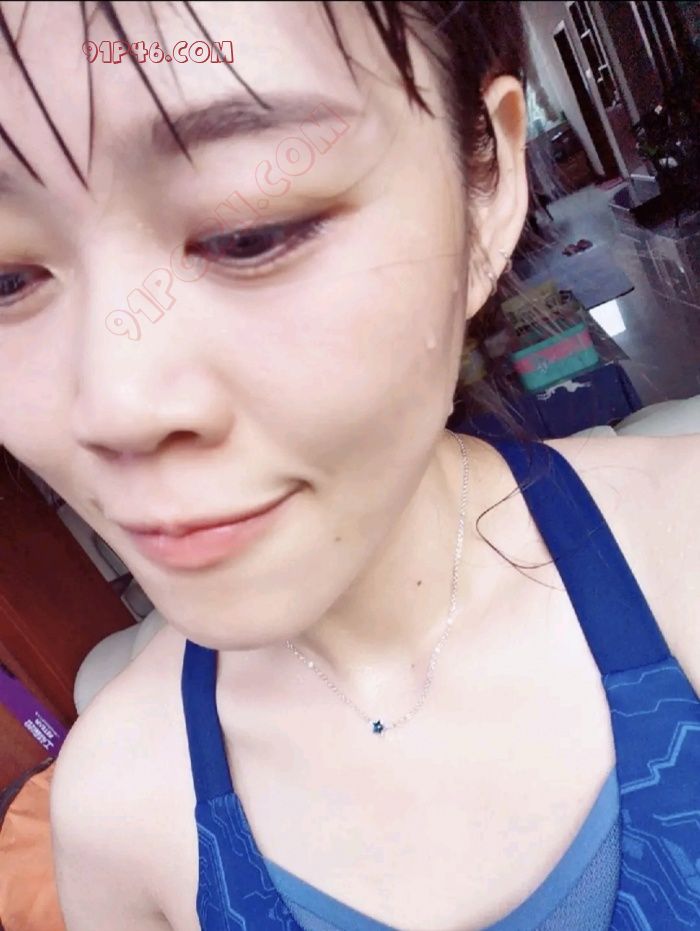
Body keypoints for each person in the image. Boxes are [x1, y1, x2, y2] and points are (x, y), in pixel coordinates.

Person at [0, 2, 698, 929]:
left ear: (486, 184)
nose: (113, 410)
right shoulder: (113, 815)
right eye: (6, 281)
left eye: (251, 231)